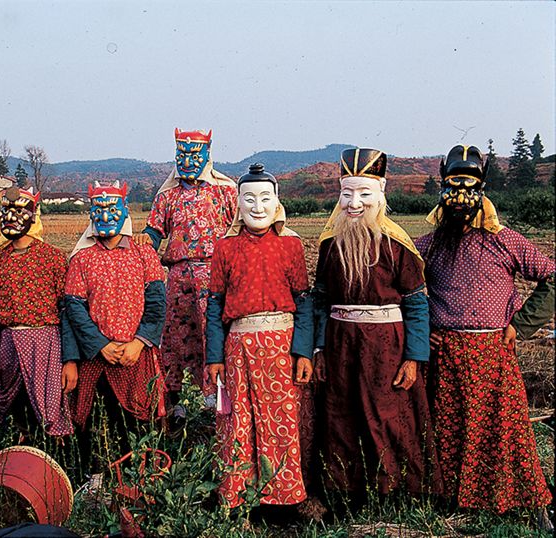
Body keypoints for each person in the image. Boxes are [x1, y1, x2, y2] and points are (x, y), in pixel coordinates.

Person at [415, 145, 554, 526]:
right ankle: (456, 503)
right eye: (452, 183)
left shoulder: (505, 241)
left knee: (506, 431)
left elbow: (552, 277)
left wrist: (520, 326)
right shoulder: (426, 246)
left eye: (469, 183)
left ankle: (530, 503)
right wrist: (424, 329)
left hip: (494, 351)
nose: (460, 192)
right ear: (443, 184)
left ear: (482, 185)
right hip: (446, 355)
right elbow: (407, 294)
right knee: (450, 431)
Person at [313, 148, 441, 501]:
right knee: (341, 417)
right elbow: (321, 300)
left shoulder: (398, 245)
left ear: (381, 193)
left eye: (364, 194)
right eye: (347, 193)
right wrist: (320, 348)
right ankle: (345, 495)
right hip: (340, 344)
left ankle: (396, 495)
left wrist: (414, 358)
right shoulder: (330, 245)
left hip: (387, 346)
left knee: (388, 416)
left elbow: (416, 304)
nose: (355, 203)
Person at [205, 163, 314, 508]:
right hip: (239, 346)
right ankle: (239, 495)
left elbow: (303, 302)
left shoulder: (290, 245)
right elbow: (215, 304)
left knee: (282, 420)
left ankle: (284, 498)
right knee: (239, 418)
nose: (257, 206)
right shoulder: (225, 247)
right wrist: (214, 356)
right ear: (237, 203)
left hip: (282, 346)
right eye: (249, 198)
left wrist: (304, 352)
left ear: (277, 201)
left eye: (265, 198)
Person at [62, 181, 166, 484]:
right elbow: (75, 308)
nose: (106, 216)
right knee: (92, 421)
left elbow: (157, 303)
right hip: (96, 358)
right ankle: (92, 482)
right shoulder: (81, 259)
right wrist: (100, 345)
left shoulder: (144, 255)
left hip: (136, 355)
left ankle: (138, 482)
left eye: (112, 209)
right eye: (99, 210)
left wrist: (138, 342)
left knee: (137, 420)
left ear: (124, 211)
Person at [135, 128, 238, 415]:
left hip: (216, 274)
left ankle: (215, 396)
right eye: (182, 154)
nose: (188, 160)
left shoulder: (225, 190)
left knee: (213, 332)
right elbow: (155, 229)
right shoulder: (167, 195)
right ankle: (177, 398)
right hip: (179, 277)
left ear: (208, 154)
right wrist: (146, 240)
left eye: (195, 154)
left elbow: (239, 229)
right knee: (177, 337)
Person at [0, 187, 74, 438]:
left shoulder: (54, 259)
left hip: (46, 343)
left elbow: (66, 311)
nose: (11, 216)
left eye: (18, 210)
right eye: (6, 210)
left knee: (49, 412)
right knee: (18, 413)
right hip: (8, 344)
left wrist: (70, 359)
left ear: (33, 215)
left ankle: (54, 471)